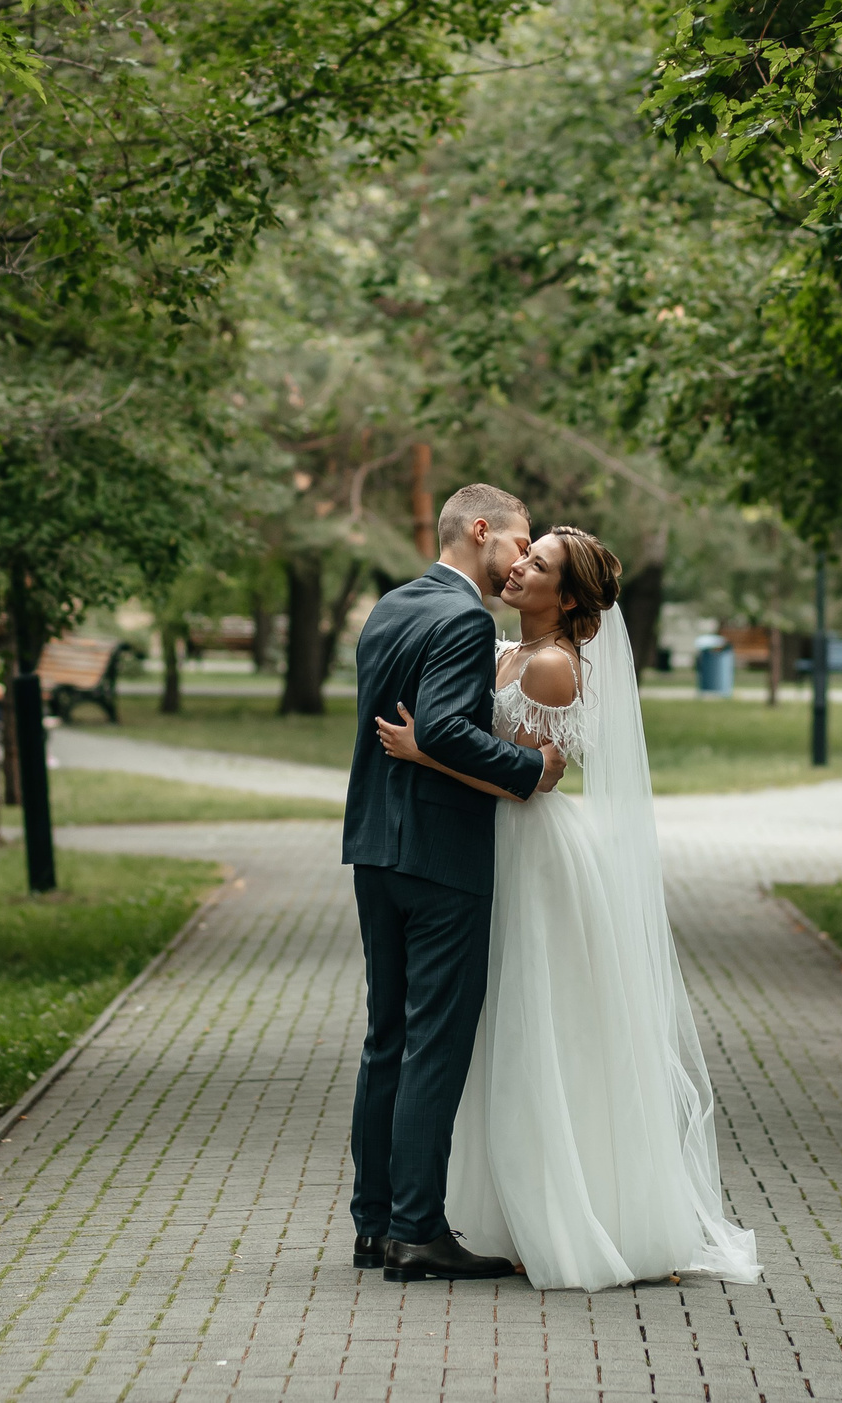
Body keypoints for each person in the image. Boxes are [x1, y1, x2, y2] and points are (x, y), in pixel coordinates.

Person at [374, 525, 760, 1290]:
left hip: (531, 853)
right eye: (525, 555)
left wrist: (426, 753)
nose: (518, 567)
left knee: (536, 1026)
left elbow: (532, 777)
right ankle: (503, 1210)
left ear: (569, 596)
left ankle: (565, 1213)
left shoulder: (551, 667)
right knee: (495, 1032)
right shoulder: (500, 652)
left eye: (539, 565)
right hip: (489, 846)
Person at [342, 483, 568, 1284]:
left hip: (375, 848)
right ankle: (417, 1231)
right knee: (435, 1041)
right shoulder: (467, 616)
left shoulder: (392, 606)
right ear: (482, 531)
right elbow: (439, 726)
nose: (519, 561)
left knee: (386, 1040)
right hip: (441, 854)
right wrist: (530, 770)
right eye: (519, 541)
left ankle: (373, 1225)